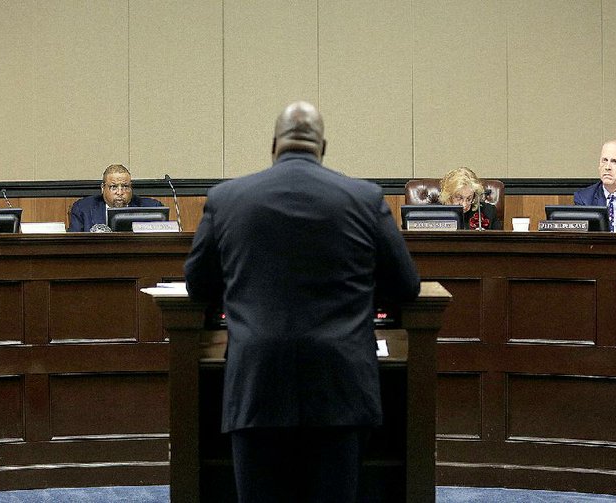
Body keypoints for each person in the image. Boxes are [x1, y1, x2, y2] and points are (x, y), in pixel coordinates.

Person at [184, 101, 421, 502]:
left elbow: (198, 285)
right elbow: (406, 286)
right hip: (340, 384)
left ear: (273, 144)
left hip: (257, 382)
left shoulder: (226, 199)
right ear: (322, 146)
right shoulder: (365, 198)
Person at [68, 164, 162, 232]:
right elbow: (73, 245)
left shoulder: (153, 207)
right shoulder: (83, 208)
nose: (120, 192)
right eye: (114, 187)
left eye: (125, 186)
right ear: (103, 188)